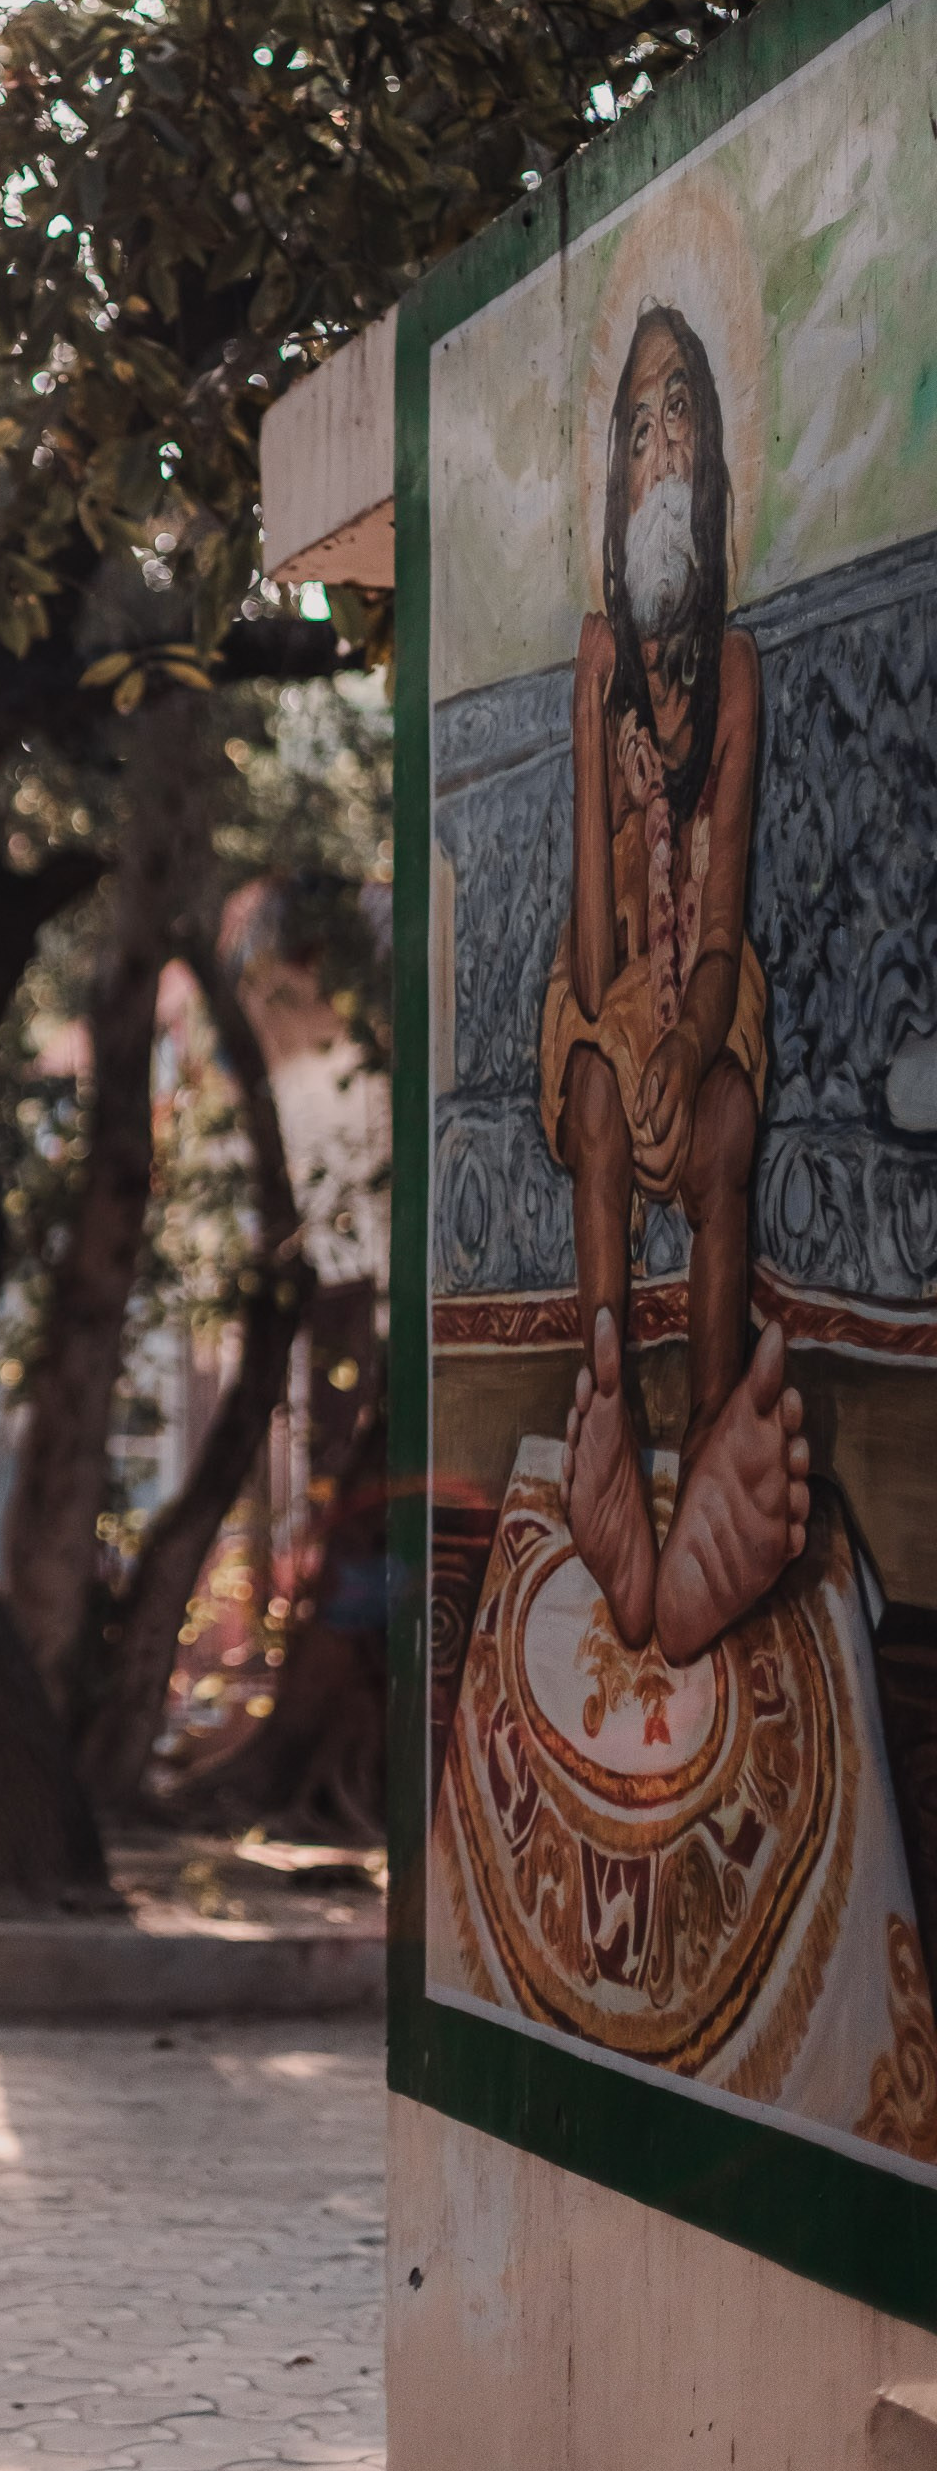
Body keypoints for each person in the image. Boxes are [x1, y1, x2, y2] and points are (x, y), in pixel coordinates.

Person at [541, 303, 810, 1663]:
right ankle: (610, 1428)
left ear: (704, 465)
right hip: (607, 985)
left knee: (723, 1128)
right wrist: (601, 751)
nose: (657, 453)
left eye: (678, 420)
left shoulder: (737, 673)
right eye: (636, 429)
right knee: (597, 1096)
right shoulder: (601, 661)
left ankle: (711, 1447)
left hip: (704, 981)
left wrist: (695, 1044)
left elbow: (723, 925)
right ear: (618, 473)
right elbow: (594, 964)